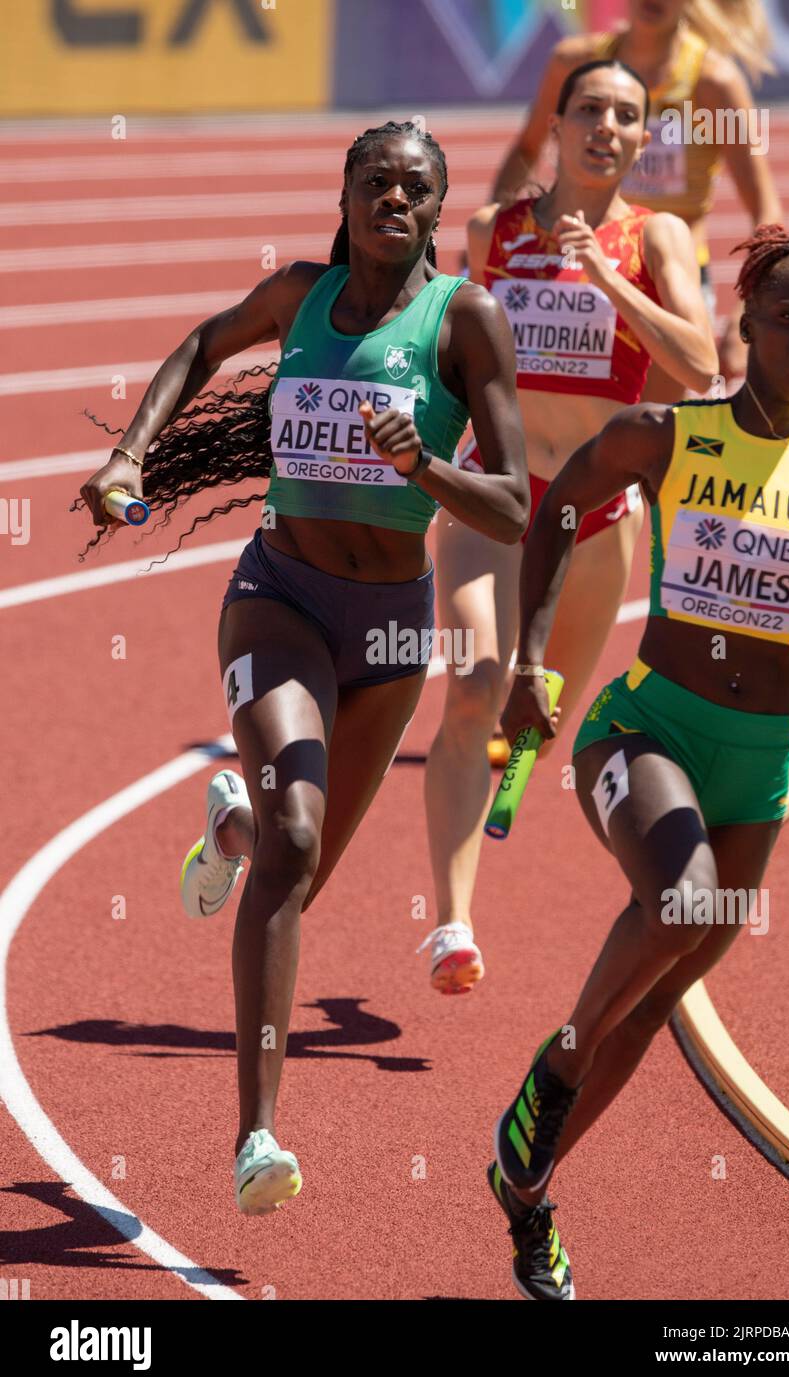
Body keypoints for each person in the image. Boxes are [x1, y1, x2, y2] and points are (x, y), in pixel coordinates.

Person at [79, 120, 529, 1216]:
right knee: (296, 843)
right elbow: (202, 344)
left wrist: (422, 463)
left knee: (298, 866)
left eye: (415, 188)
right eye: (375, 181)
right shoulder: (298, 295)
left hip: (387, 628)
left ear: (436, 207)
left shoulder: (463, 318)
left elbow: (514, 507)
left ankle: (227, 828)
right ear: (347, 190)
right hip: (277, 599)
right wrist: (128, 449)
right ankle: (256, 1136)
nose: (393, 199)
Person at [489, 224, 789, 1300]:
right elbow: (554, 506)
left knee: (661, 997)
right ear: (746, 326)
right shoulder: (667, 434)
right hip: (647, 730)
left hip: (759, 772)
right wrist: (528, 660)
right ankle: (554, 1064)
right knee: (680, 904)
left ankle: (528, 1197)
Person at [419, 60, 716, 995]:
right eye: (590, 109)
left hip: (595, 517)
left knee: (538, 708)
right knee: (474, 683)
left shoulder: (654, 235)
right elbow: (452, 362)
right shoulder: (490, 233)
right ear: (559, 122)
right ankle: (452, 923)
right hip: (497, 494)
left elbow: (701, 363)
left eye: (627, 117)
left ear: (641, 139)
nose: (607, 128)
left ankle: (518, 761)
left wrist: (607, 280)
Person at [490, 0, 781, 394]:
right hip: (578, 264)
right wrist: (495, 236)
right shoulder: (575, 65)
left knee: (655, 428)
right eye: (593, 110)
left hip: (669, 278)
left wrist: (748, 309)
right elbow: (527, 149)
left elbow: (765, 207)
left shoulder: (713, 83)